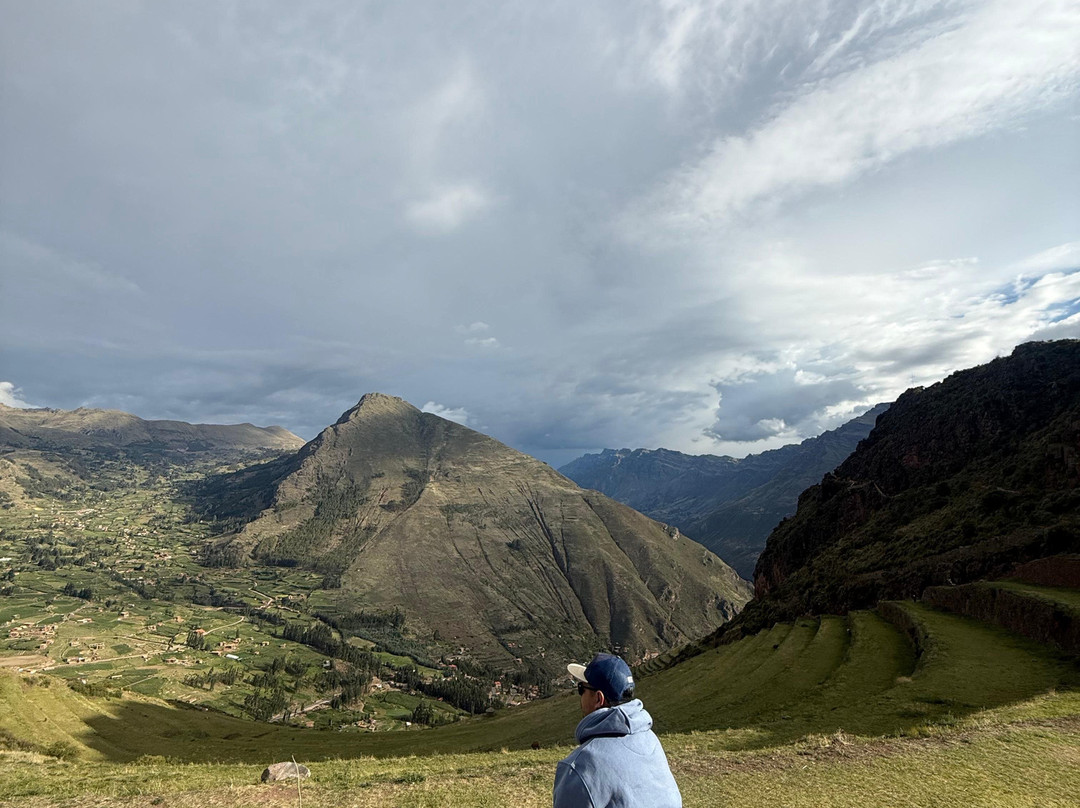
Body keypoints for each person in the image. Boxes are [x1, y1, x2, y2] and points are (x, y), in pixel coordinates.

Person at [553, 652, 682, 808]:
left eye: (581, 689)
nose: (580, 696)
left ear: (598, 699)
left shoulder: (579, 767)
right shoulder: (651, 740)